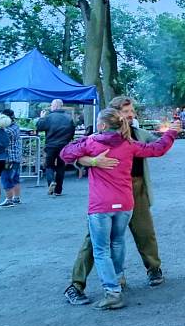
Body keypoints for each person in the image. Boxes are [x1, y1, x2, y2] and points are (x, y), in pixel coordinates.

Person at [60, 108, 178, 310]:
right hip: (124, 203)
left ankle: (112, 290)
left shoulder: (91, 143)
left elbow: (65, 154)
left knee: (100, 249)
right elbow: (157, 149)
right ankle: (117, 279)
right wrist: (171, 133)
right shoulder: (129, 145)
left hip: (101, 205)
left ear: (103, 125)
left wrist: (91, 160)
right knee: (117, 242)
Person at [36, 99, 76, 196]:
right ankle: (58, 190)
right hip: (64, 145)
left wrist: (41, 118)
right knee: (61, 166)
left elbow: (39, 127)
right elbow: (72, 132)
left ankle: (51, 182)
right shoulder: (69, 118)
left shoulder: (48, 118)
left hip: (51, 145)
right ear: (61, 106)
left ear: (53, 106)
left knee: (49, 165)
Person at [0, 109, 23, 207]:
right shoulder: (15, 127)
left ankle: (9, 199)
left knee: (6, 179)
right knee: (15, 178)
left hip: (9, 158)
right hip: (15, 157)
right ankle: (16, 198)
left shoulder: (7, 130)